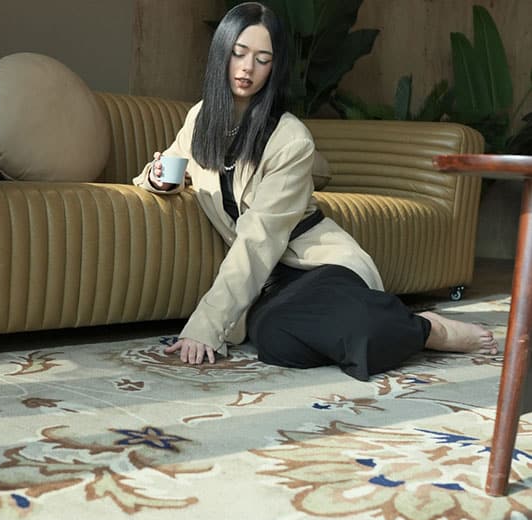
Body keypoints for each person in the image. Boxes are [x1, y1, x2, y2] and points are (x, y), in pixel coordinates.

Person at [134, 2, 498, 381]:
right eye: (238, 53)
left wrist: (206, 325)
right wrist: (158, 179)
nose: (247, 68)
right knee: (276, 341)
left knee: (357, 336)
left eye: (262, 59)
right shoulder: (200, 118)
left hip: (313, 266)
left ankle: (428, 329)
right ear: (221, 53)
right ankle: (375, 319)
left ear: (275, 67)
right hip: (267, 284)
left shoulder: (290, 138)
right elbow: (169, 163)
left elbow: (259, 239)